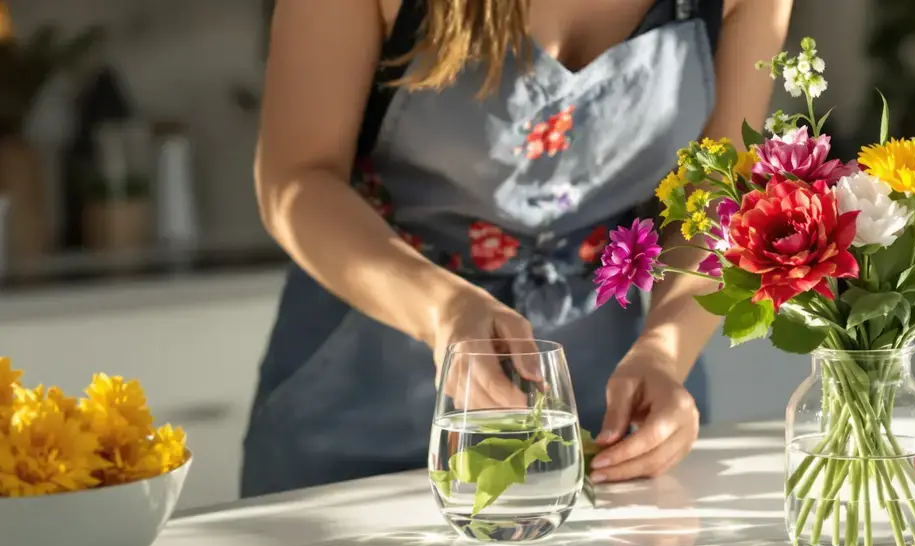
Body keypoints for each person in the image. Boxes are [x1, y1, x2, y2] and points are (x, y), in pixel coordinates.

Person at [241, 0, 791, 498]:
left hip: (609, 416)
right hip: (358, 398)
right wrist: (443, 310)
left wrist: (667, 352)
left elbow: (713, 197)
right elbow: (296, 180)